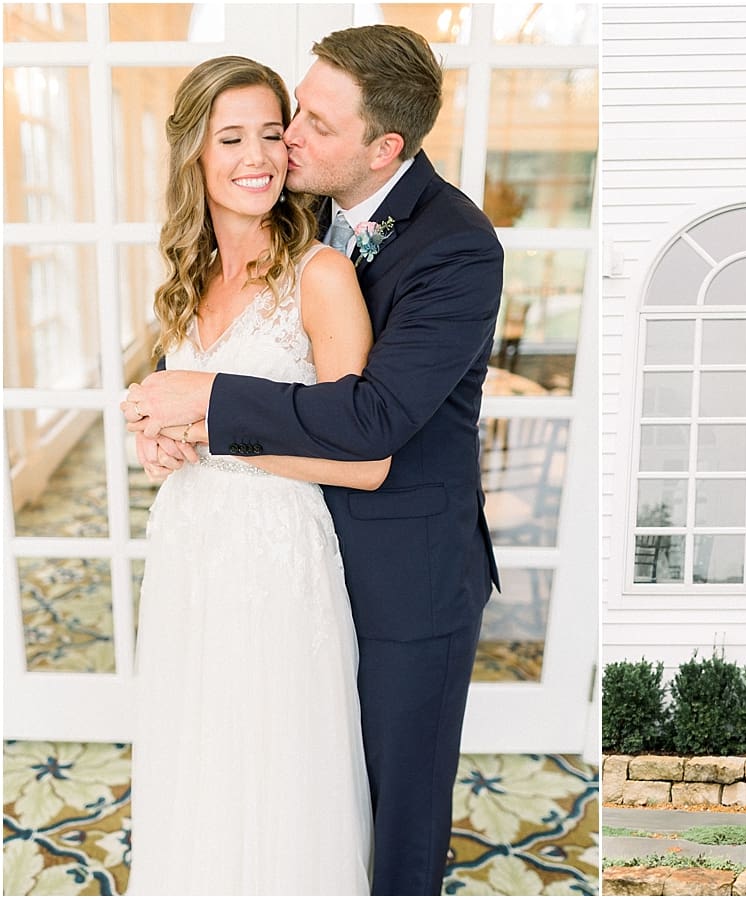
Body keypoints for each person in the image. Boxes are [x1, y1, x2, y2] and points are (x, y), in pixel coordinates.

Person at [123, 25, 504, 896]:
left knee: (396, 812)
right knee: (236, 766)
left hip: (406, 567)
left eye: (309, 125)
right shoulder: (303, 208)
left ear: (384, 147)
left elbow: (372, 422)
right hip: (257, 551)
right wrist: (166, 426)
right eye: (290, 112)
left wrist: (206, 408)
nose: (284, 141)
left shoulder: (457, 246)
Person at [126, 56, 377, 894]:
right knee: (196, 754)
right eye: (230, 138)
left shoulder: (321, 276)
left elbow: (364, 458)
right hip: (188, 551)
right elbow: (182, 413)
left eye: (272, 133)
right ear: (194, 154)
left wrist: (211, 430)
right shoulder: (185, 279)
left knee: (273, 767)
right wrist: (162, 443)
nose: (259, 156)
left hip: (276, 560)